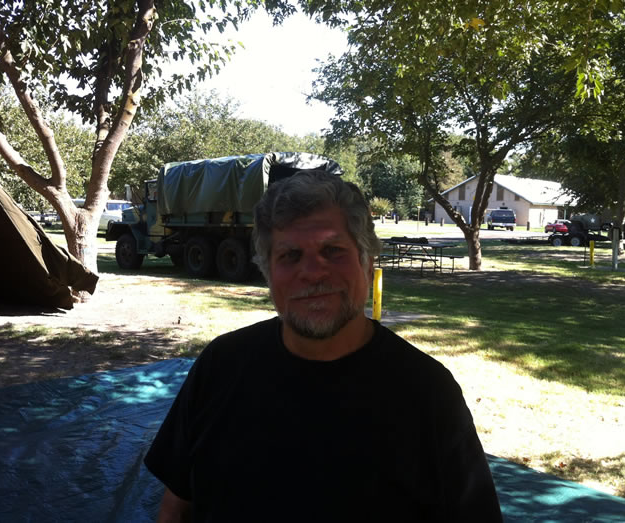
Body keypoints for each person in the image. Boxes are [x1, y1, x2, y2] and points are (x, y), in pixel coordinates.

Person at [144, 170, 502, 522]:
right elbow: (175, 507)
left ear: (368, 263)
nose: (313, 272)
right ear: (268, 272)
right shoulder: (220, 365)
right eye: (290, 255)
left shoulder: (428, 392)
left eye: (333, 250)